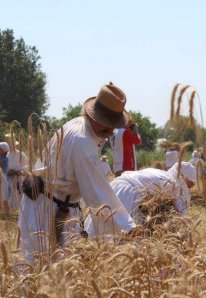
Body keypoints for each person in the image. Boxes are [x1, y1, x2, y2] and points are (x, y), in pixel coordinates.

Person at [18, 83, 139, 265]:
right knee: (38, 267)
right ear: (93, 116)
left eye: (113, 126)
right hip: (46, 210)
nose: (110, 132)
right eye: (107, 125)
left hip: (55, 205)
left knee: (60, 269)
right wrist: (129, 229)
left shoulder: (82, 124)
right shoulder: (83, 143)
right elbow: (98, 194)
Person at [110, 162, 196, 223]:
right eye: (189, 185)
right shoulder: (172, 184)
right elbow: (182, 217)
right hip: (126, 197)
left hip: (113, 187)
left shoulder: (160, 173)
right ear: (183, 178)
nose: (188, 189)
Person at [5, 133, 28, 210]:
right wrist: (8, 171)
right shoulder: (6, 155)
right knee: (9, 194)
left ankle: (19, 210)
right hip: (9, 179)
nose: (11, 148)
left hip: (19, 179)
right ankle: (10, 210)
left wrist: (21, 172)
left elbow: (27, 166)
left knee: (18, 195)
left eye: (11, 146)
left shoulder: (21, 154)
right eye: (9, 146)